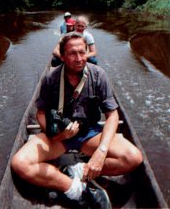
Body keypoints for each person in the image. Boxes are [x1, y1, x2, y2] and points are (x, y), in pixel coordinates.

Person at [11, 32, 143, 208]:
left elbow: (112, 115)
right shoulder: (51, 77)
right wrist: (55, 133)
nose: (79, 58)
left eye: (82, 52)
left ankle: (77, 167)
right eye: (73, 53)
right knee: (19, 163)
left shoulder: (98, 75)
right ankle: (75, 188)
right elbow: (41, 113)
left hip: (90, 134)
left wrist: (101, 152)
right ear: (63, 56)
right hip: (58, 138)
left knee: (133, 158)